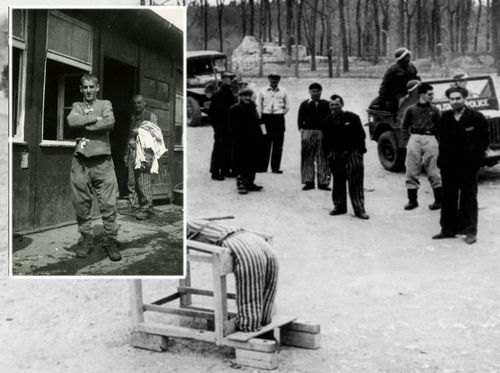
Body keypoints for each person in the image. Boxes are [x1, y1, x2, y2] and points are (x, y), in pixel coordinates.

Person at [187, 219, 278, 332]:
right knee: (266, 284)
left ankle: (249, 325)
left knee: (251, 288)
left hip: (238, 243)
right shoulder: (196, 221)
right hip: (252, 238)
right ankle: (264, 318)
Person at [67, 74, 121, 261]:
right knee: (81, 204)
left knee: (109, 204)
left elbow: (110, 123)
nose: (89, 90)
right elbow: (71, 121)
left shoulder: (105, 104)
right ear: (81, 89)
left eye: (92, 87)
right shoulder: (77, 106)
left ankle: (111, 241)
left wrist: (85, 122)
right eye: (85, 87)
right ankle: (87, 240)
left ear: (97, 87)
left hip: (103, 162)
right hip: (81, 161)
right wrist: (93, 120)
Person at [432, 87, 489, 244]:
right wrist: (442, 161)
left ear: (465, 99)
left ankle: (469, 231)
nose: (455, 101)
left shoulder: (476, 117)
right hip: (449, 165)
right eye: (452, 99)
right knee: (448, 196)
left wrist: (476, 161)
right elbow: (442, 141)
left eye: (458, 98)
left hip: (468, 165)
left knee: (468, 197)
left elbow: (483, 141)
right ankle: (448, 229)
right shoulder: (445, 117)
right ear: (448, 101)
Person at [323, 94, 369, 220]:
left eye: (337, 105)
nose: (334, 108)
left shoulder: (353, 118)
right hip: (335, 155)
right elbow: (325, 140)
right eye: (332, 105)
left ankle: (359, 209)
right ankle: (339, 206)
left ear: (342, 105)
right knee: (338, 181)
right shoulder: (327, 120)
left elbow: (361, 135)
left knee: (356, 182)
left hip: (352, 154)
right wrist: (328, 155)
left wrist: (359, 152)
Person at [402, 83, 442, 211]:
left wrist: (438, 143)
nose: (432, 97)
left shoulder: (435, 110)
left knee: (434, 170)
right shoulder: (411, 110)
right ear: (422, 95)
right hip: (415, 137)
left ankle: (438, 201)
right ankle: (412, 201)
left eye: (433, 94)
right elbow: (404, 126)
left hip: (430, 138)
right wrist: (409, 140)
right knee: (411, 169)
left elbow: (440, 128)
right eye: (430, 94)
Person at [125, 94, 158, 220]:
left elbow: (154, 135)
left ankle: (147, 209)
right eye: (135, 103)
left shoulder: (151, 116)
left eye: (139, 103)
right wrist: (125, 153)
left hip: (144, 152)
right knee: (132, 180)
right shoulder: (133, 117)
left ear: (144, 103)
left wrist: (138, 131)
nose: (137, 105)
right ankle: (134, 206)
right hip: (132, 151)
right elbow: (129, 135)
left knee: (143, 181)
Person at [229, 87, 264, 195]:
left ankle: (250, 183)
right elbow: (231, 126)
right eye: (245, 96)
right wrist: (237, 138)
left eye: (249, 96)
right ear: (240, 97)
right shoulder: (235, 108)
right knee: (240, 163)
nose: (247, 98)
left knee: (252, 162)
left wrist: (261, 135)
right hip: (241, 141)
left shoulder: (253, 108)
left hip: (253, 140)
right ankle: (241, 184)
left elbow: (258, 122)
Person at [297, 82, 331, 191]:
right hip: (308, 132)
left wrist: (327, 132)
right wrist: (302, 131)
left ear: (321, 92)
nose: (315, 93)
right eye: (313, 91)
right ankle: (308, 181)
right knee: (307, 157)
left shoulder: (326, 104)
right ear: (309, 92)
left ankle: (323, 182)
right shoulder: (304, 104)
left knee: (323, 157)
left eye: (317, 91)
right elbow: (300, 119)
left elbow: (330, 119)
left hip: (322, 133)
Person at [257, 73, 290, 174]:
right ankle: (262, 167)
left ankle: (275, 168)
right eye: (271, 78)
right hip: (265, 119)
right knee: (264, 142)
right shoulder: (262, 90)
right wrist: (260, 118)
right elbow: (259, 105)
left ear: (279, 79)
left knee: (278, 144)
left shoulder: (283, 91)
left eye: (276, 78)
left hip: (278, 119)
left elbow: (287, 105)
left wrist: (280, 114)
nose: (273, 80)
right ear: (268, 78)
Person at [371, 48, 420, 113]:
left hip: (411, 92)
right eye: (407, 56)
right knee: (403, 103)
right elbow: (384, 87)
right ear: (401, 58)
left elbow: (418, 80)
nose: (409, 58)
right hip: (397, 94)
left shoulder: (412, 67)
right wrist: (387, 98)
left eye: (409, 56)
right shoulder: (392, 70)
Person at [208, 72, 237, 180]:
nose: (228, 81)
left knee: (228, 148)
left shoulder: (231, 93)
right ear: (222, 80)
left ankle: (225, 170)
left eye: (230, 79)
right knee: (219, 149)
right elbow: (212, 113)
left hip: (230, 127)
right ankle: (215, 172)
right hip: (220, 127)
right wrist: (216, 128)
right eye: (226, 79)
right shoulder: (217, 95)